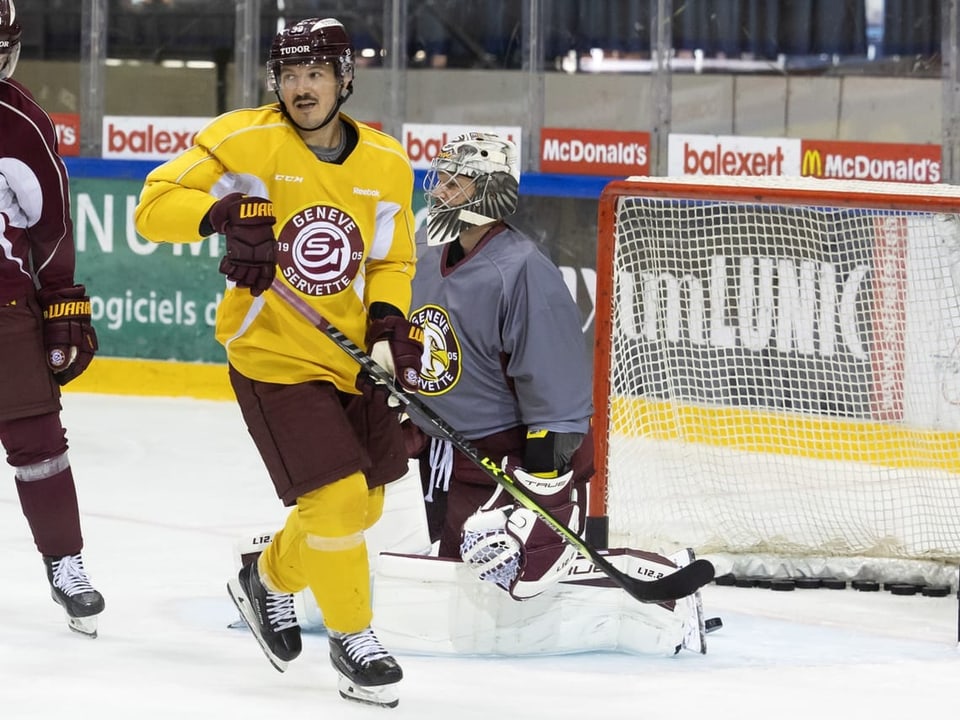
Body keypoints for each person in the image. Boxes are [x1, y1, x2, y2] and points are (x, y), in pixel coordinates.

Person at [134, 17, 420, 709]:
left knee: (366, 503)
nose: (300, 88)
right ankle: (355, 641)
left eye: (315, 74)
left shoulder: (387, 162)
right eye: (289, 75)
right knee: (338, 500)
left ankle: (267, 578)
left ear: (344, 79)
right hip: (272, 355)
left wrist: (387, 325)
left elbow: (391, 258)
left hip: (350, 361)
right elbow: (153, 207)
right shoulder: (244, 139)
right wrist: (222, 211)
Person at [404, 132, 595, 601]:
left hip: (501, 461)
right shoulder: (427, 256)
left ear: (492, 191)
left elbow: (557, 388)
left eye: (458, 181)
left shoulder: (522, 268)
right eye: (442, 178)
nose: (441, 190)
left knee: (496, 587)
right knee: (456, 576)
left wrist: (544, 481)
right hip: (443, 455)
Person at [0, 0, 105, 638]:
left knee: (39, 442)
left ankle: (65, 563)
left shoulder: (19, 122)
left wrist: (63, 304)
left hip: (2, 310)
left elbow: (53, 228)